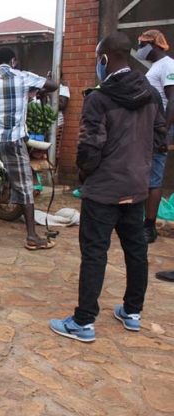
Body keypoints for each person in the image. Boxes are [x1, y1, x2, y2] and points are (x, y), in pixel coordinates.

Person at [50, 32, 167, 342]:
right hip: (136, 188)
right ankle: (132, 312)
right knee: (136, 251)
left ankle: (83, 322)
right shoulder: (151, 94)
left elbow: (89, 149)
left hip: (103, 191)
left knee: (94, 254)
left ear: (104, 59)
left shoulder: (98, 98)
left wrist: (84, 176)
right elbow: (159, 139)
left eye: (97, 59)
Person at [0, 47, 58, 249]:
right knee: (24, 186)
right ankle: (32, 237)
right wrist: (37, 89)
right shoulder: (24, 77)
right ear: (13, 61)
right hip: (15, 140)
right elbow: (53, 85)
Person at [134, 30, 174, 244]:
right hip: (152, 127)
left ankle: (149, 227)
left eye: (143, 44)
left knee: (154, 177)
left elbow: (173, 100)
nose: (140, 48)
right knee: (146, 174)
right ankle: (143, 222)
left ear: (156, 45)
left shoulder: (168, 65)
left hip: (160, 128)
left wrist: (163, 133)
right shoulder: (156, 67)